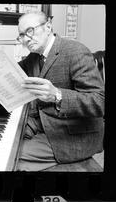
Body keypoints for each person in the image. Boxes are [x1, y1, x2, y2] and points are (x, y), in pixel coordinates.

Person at [16, 11, 105, 171]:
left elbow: (99, 101)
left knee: (13, 157)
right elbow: (14, 71)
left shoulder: (75, 51)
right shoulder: (34, 57)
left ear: (48, 27)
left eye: (30, 31)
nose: (25, 39)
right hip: (44, 125)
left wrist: (58, 95)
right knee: (10, 143)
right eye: (21, 35)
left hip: (74, 135)